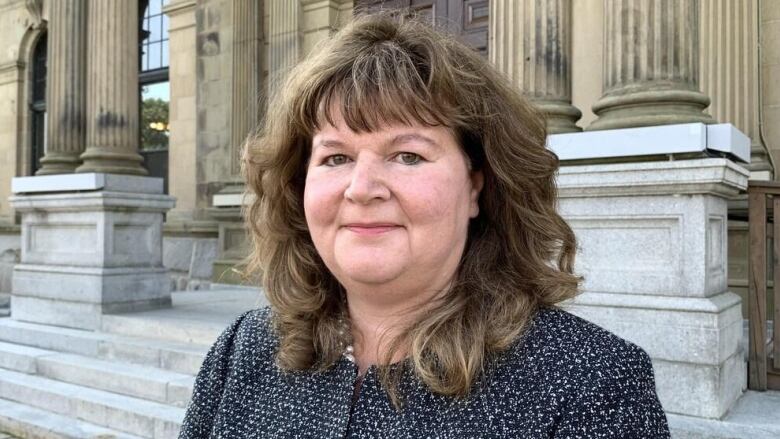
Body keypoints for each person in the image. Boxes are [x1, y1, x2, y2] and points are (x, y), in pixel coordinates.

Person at [179, 11, 670, 438]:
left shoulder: (590, 384)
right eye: (335, 158)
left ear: (477, 185)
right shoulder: (243, 352)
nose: (362, 187)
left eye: (408, 155)